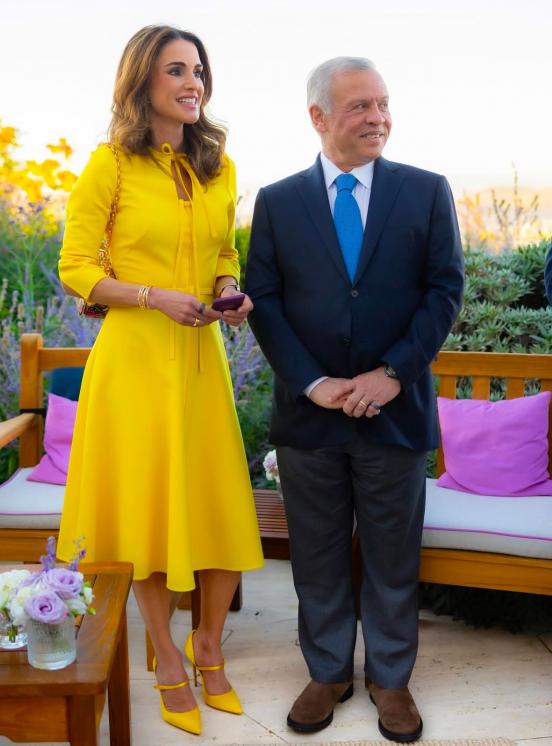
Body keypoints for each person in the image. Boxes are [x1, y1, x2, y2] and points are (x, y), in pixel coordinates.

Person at [246, 57, 464, 742]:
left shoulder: (426, 191)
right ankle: (329, 672)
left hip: (395, 411)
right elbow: (265, 302)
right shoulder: (277, 201)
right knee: (316, 555)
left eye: (383, 103)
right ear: (318, 116)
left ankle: (391, 680)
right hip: (308, 417)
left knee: (393, 556)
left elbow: (444, 291)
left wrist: (392, 373)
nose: (378, 118)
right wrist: (314, 383)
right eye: (360, 106)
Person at [56, 25, 263, 737]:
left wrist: (228, 289)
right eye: (176, 70)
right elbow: (76, 266)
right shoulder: (110, 164)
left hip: (202, 359)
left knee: (219, 503)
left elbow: (224, 252)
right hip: (135, 362)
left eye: (198, 70)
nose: (192, 82)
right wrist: (152, 297)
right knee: (145, 511)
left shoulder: (218, 167)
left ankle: (209, 645)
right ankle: (167, 656)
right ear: (142, 80)